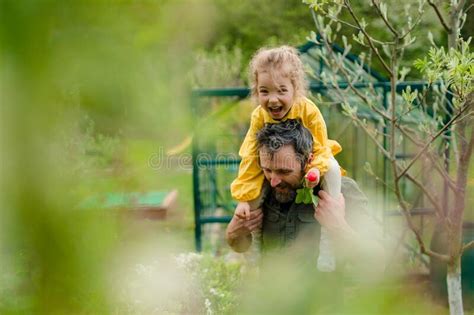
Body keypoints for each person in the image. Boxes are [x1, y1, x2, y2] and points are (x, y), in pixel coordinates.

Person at [230, 45, 342, 271]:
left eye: (281, 91)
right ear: (256, 91)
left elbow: (321, 146)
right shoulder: (259, 116)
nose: (272, 100)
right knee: (253, 196)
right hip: (271, 162)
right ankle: (254, 260)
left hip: (312, 160)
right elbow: (251, 156)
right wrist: (244, 199)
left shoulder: (308, 110)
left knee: (332, 167)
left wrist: (314, 172)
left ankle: (328, 244)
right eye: (264, 91)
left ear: (295, 89)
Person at [226, 120, 383, 271]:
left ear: (308, 160)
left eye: (284, 172)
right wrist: (234, 232)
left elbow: (378, 263)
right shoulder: (258, 191)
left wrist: (338, 226)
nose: (273, 181)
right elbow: (240, 246)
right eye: (267, 170)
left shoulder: (341, 191)